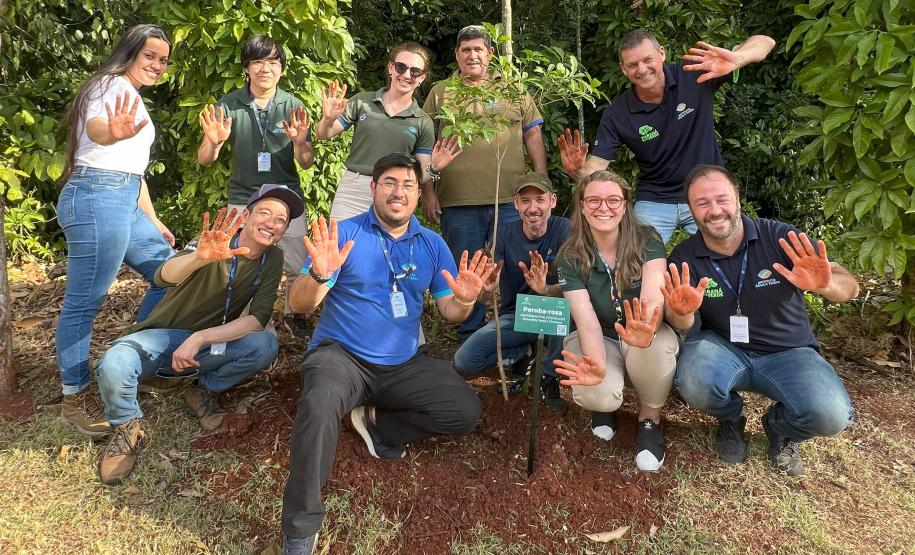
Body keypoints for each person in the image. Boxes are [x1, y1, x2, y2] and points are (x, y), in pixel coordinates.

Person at [279, 154, 490, 555]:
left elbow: (449, 311)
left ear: (418, 193)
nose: (399, 191)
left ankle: (377, 425)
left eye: (409, 184)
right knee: (320, 403)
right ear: (373, 189)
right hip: (342, 356)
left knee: (463, 410)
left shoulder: (432, 244)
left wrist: (464, 301)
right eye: (390, 182)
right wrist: (320, 274)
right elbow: (301, 303)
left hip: (403, 363)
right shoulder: (343, 234)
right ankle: (300, 528)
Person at [94, 184, 303, 485]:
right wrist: (200, 258)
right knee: (115, 363)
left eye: (281, 220)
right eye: (265, 213)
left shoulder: (271, 260)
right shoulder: (215, 242)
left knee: (265, 345)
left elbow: (257, 319)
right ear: (245, 215)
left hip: (206, 344)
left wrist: (201, 337)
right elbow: (163, 275)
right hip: (164, 339)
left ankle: (202, 389)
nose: (272, 223)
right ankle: (126, 425)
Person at [663, 165, 858, 476]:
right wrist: (682, 312)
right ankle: (730, 418)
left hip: (789, 352)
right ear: (691, 210)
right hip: (723, 349)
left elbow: (850, 287)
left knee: (832, 416)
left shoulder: (781, 238)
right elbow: (680, 325)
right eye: (702, 203)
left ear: (738, 198)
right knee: (693, 380)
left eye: (722, 199)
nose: (715, 211)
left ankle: (780, 428)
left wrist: (825, 285)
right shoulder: (684, 258)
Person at [56, 24, 176, 438]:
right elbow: (96, 130)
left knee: (171, 274)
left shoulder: (133, 98)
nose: (158, 65)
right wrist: (112, 131)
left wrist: (155, 219)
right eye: (150, 56)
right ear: (129, 52)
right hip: (95, 196)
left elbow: (134, 171)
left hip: (123, 195)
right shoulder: (109, 85)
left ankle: (130, 359)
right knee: (84, 301)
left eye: (163, 60)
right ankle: (74, 394)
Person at [558, 28, 775, 243]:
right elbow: (596, 167)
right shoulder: (618, 113)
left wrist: (738, 58)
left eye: (647, 59)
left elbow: (765, 40)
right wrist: (578, 171)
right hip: (655, 197)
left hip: (706, 189)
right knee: (635, 255)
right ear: (624, 69)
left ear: (661, 53)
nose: (642, 70)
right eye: (633, 65)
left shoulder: (694, 73)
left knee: (727, 247)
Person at [423, 24, 548, 340]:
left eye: (479, 49)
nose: (472, 55)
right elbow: (426, 145)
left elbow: (532, 133)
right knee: (467, 268)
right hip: (457, 199)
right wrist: (428, 190)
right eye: (465, 50)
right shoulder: (441, 92)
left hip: (509, 198)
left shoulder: (512, 88)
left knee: (515, 266)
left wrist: (541, 179)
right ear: (457, 55)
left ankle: (517, 334)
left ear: (490, 55)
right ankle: (470, 334)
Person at [552, 170, 679, 472]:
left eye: (612, 200)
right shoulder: (570, 255)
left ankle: (649, 419)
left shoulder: (648, 239)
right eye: (593, 200)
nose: (603, 207)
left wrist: (645, 328)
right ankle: (604, 406)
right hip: (602, 333)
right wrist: (596, 363)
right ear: (582, 206)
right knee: (596, 387)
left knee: (658, 346)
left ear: (625, 205)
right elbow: (586, 321)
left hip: (641, 329)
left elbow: (652, 298)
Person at [197, 34, 314, 337]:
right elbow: (206, 158)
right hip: (244, 196)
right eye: (258, 62)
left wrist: (301, 143)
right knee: (244, 259)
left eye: (273, 62)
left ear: (282, 69)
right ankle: (249, 319)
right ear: (247, 68)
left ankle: (295, 312)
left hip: (286, 197)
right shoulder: (229, 105)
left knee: (296, 260)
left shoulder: (293, 105)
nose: (265, 68)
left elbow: (306, 162)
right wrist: (213, 142)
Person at [453, 172, 571, 414]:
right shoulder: (505, 233)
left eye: (540, 199)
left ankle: (548, 378)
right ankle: (523, 352)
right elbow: (489, 290)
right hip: (518, 315)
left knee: (568, 316)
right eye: (525, 201)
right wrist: (486, 290)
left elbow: (575, 290)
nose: (533, 208)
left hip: (556, 315)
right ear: (516, 204)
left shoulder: (564, 229)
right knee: (464, 360)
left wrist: (545, 289)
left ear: (552, 201)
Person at [314, 42, 462, 220]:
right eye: (401, 67)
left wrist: (435, 169)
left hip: (395, 192)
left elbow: (422, 173)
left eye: (415, 71)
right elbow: (323, 134)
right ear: (391, 68)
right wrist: (328, 119)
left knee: (385, 247)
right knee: (341, 244)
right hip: (354, 188)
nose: (407, 75)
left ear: (422, 77)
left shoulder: (422, 121)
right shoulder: (362, 102)